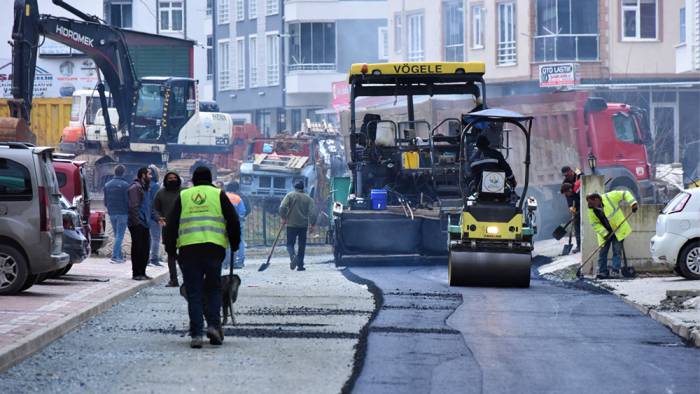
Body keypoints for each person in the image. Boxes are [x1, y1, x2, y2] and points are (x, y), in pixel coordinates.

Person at [165, 166, 240, 348]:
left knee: (194, 292)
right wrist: (235, 243)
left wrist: (170, 249)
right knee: (214, 289)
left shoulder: (184, 196)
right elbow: (233, 220)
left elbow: (171, 224)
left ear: (193, 179)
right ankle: (214, 326)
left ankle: (197, 334)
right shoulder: (218, 195)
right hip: (214, 249)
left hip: (189, 250)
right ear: (211, 179)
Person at [586, 191, 638, 279]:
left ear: (597, 199)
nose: (591, 206)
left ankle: (615, 271)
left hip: (618, 229)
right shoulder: (591, 209)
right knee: (602, 252)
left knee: (617, 251)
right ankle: (602, 272)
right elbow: (594, 224)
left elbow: (625, 193)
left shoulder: (609, 197)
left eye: (592, 203)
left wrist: (633, 203)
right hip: (605, 233)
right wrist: (605, 234)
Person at [153, 171, 183, 287]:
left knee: (184, 254)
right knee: (171, 254)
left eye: (174, 177)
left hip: (183, 227)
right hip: (168, 227)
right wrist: (159, 218)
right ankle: (173, 279)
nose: (172, 179)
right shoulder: (160, 193)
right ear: (166, 180)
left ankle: (187, 279)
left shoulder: (184, 192)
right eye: (170, 178)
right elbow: (155, 208)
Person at [128, 167, 157, 280]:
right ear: (143, 175)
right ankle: (136, 273)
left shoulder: (146, 188)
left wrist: (156, 218)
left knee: (145, 248)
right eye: (149, 174)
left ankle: (142, 272)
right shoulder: (135, 187)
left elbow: (149, 206)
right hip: (138, 223)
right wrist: (137, 222)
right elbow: (133, 207)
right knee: (137, 248)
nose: (151, 176)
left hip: (145, 223)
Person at [279, 181, 315, 271]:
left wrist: (283, 217)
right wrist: (312, 224)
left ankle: (293, 256)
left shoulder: (290, 195)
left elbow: (282, 207)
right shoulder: (308, 198)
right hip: (303, 225)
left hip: (291, 224)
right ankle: (300, 266)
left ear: (295, 187)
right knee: (302, 245)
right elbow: (313, 213)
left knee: (290, 244)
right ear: (303, 188)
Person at [103, 165, 130, 264]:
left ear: (114, 172)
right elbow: (127, 201)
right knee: (120, 236)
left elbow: (105, 201)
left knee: (116, 235)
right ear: (123, 173)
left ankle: (119, 256)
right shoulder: (125, 185)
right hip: (122, 213)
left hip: (112, 213)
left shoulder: (107, 184)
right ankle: (115, 256)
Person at [224, 181, 247, 269]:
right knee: (240, 241)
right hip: (236, 222)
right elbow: (242, 212)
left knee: (225, 241)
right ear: (236, 189)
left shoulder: (222, 196)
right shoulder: (237, 198)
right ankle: (239, 261)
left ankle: (226, 262)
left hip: (224, 222)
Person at [147, 165, 162, 267]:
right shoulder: (156, 186)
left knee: (146, 238)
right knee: (155, 238)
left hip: (144, 215)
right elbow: (156, 202)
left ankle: (146, 259)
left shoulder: (143, 184)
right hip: (154, 215)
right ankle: (154, 259)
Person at [560, 182, 581, 253]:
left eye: (566, 193)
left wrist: (579, 212)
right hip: (576, 211)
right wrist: (573, 211)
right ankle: (579, 246)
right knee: (577, 229)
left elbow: (584, 202)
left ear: (570, 190)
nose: (566, 195)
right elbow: (570, 205)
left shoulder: (578, 192)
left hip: (583, 209)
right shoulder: (567, 195)